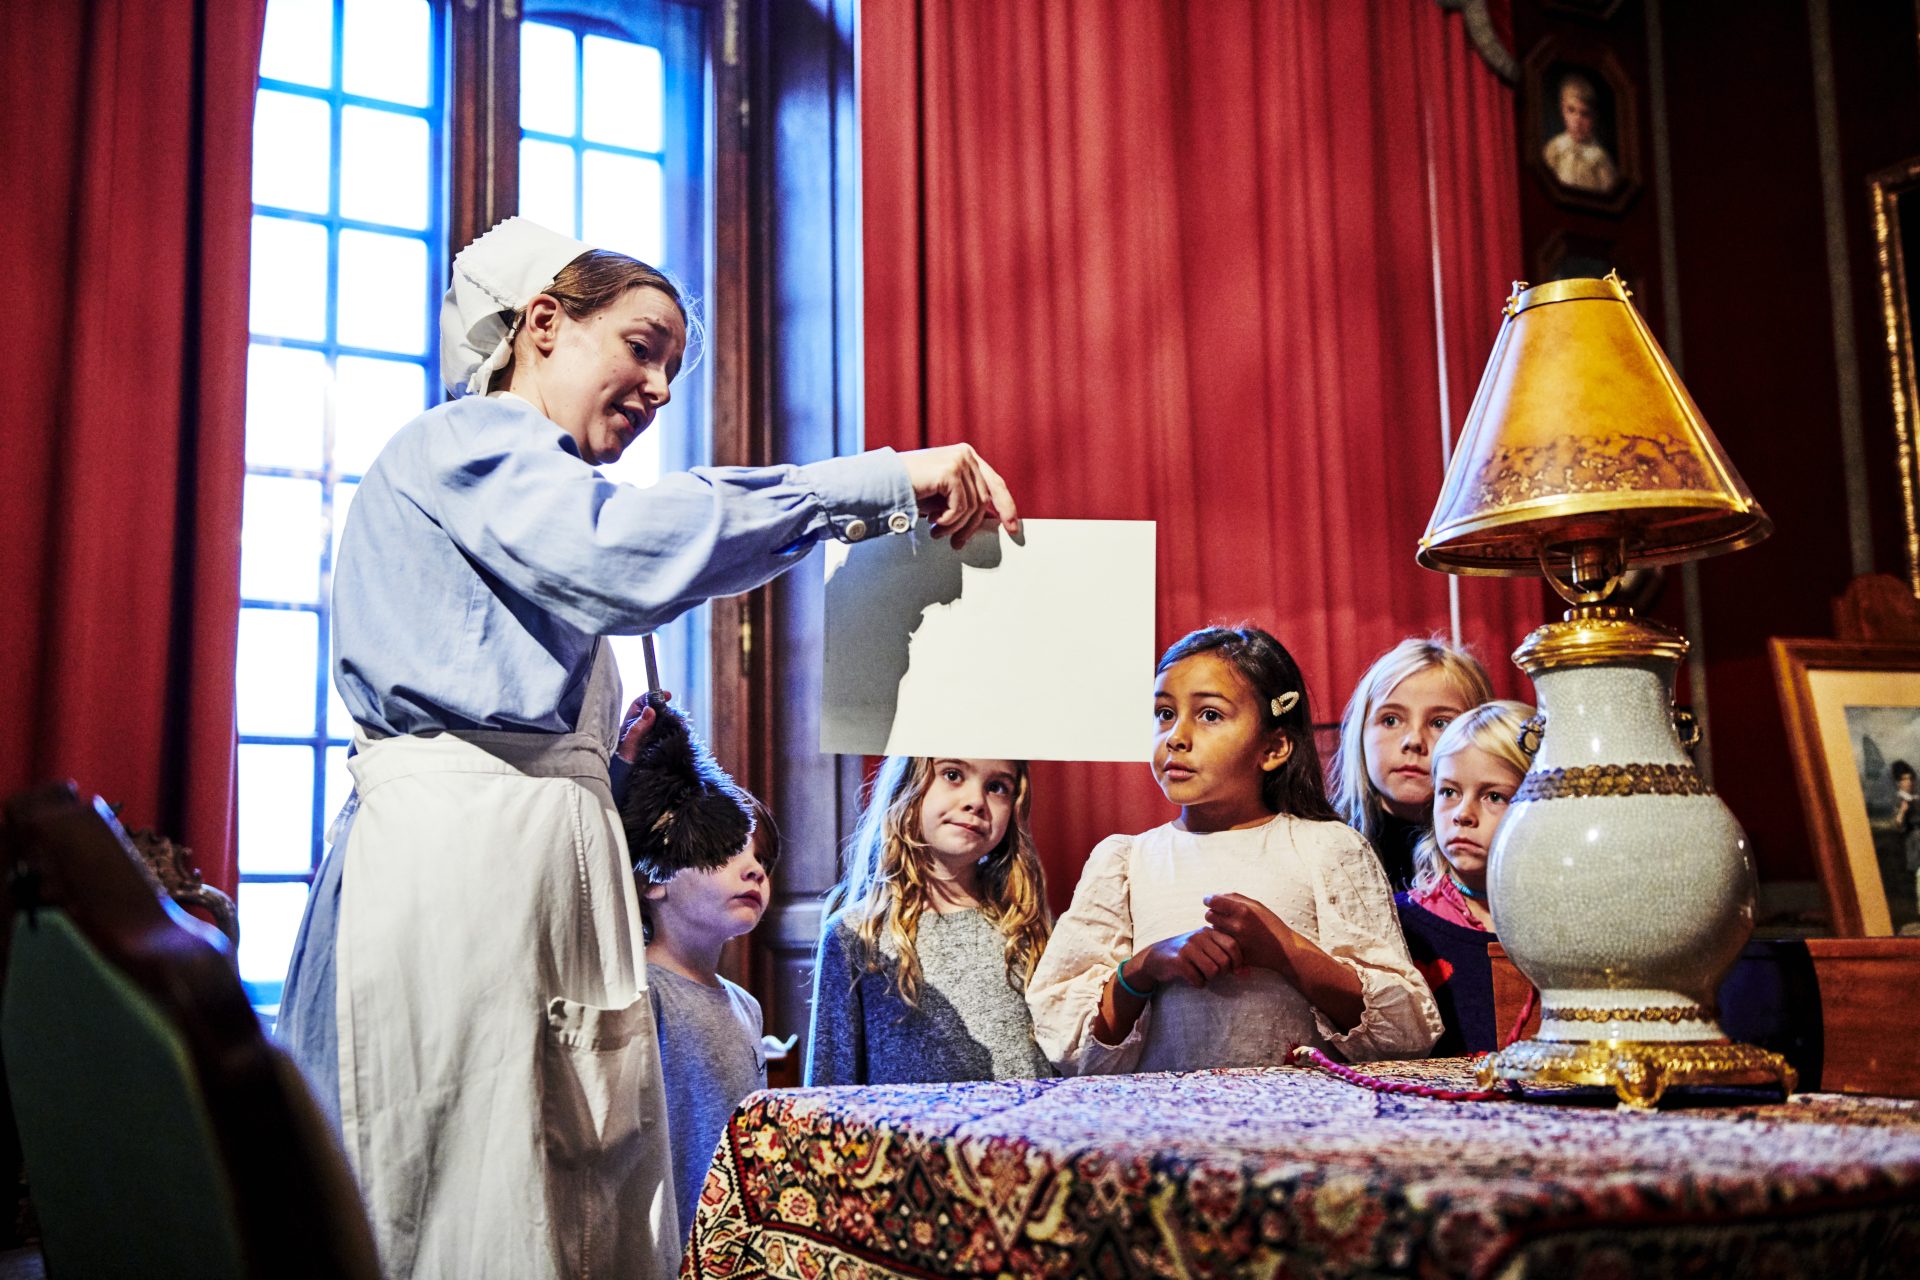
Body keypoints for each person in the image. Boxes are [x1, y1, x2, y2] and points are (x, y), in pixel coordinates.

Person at [274, 217, 1020, 1279]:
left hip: (516, 868)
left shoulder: (518, 485)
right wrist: (872, 480)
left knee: (549, 1190)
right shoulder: (474, 438)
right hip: (465, 874)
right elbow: (621, 553)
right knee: (474, 1202)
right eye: (641, 343)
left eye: (673, 366)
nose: (662, 385)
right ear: (541, 324)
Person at [1026, 626, 1441, 1075]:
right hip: (1168, 1128)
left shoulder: (1327, 848)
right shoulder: (1125, 863)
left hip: (1306, 1127)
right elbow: (1072, 1047)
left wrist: (1286, 951)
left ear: (1273, 746)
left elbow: (1407, 1031)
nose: (1176, 736)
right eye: (1164, 713)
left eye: (1209, 715)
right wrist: (1143, 969)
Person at [805, 757, 1054, 1085]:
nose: (976, 802)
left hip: (1022, 1133)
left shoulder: (1025, 926)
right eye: (952, 775)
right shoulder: (855, 934)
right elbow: (829, 1085)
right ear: (908, 784)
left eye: (997, 787)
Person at [1393, 700, 1534, 1055]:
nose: (1463, 814)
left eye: (1494, 796)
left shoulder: (1572, 928)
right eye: (1449, 792)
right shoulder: (1401, 924)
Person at [1328, 638, 1493, 893]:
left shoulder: (1499, 851)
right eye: (1391, 720)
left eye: (1440, 723)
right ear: (1361, 732)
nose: (1414, 740)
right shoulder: (1323, 846)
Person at [1542, 72, 1618, 193]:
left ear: (1594, 117)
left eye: (1584, 114)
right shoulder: (1554, 148)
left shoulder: (1600, 159)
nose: (1577, 121)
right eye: (1571, 110)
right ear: (1562, 109)